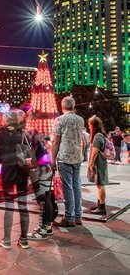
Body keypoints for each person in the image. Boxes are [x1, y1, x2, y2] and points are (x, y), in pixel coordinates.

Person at [0, 110, 30, 250]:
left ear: (6, 120)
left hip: (7, 172)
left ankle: (7, 240)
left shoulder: (0, 134)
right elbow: (28, 153)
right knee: (23, 206)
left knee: (9, 205)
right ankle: (24, 239)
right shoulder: (23, 134)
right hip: (21, 172)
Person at [52, 96, 85, 227]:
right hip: (77, 157)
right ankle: (78, 216)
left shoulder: (60, 120)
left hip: (64, 157)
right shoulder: (80, 119)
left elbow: (55, 141)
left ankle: (69, 217)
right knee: (76, 186)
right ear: (73, 106)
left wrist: (53, 159)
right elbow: (82, 139)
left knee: (67, 187)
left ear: (62, 106)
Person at [87, 116, 109, 215]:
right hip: (101, 162)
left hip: (99, 163)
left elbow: (95, 152)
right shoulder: (102, 135)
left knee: (100, 185)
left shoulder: (97, 136)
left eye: (90, 125)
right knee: (99, 185)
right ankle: (99, 204)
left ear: (94, 125)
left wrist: (91, 163)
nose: (89, 127)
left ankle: (102, 207)